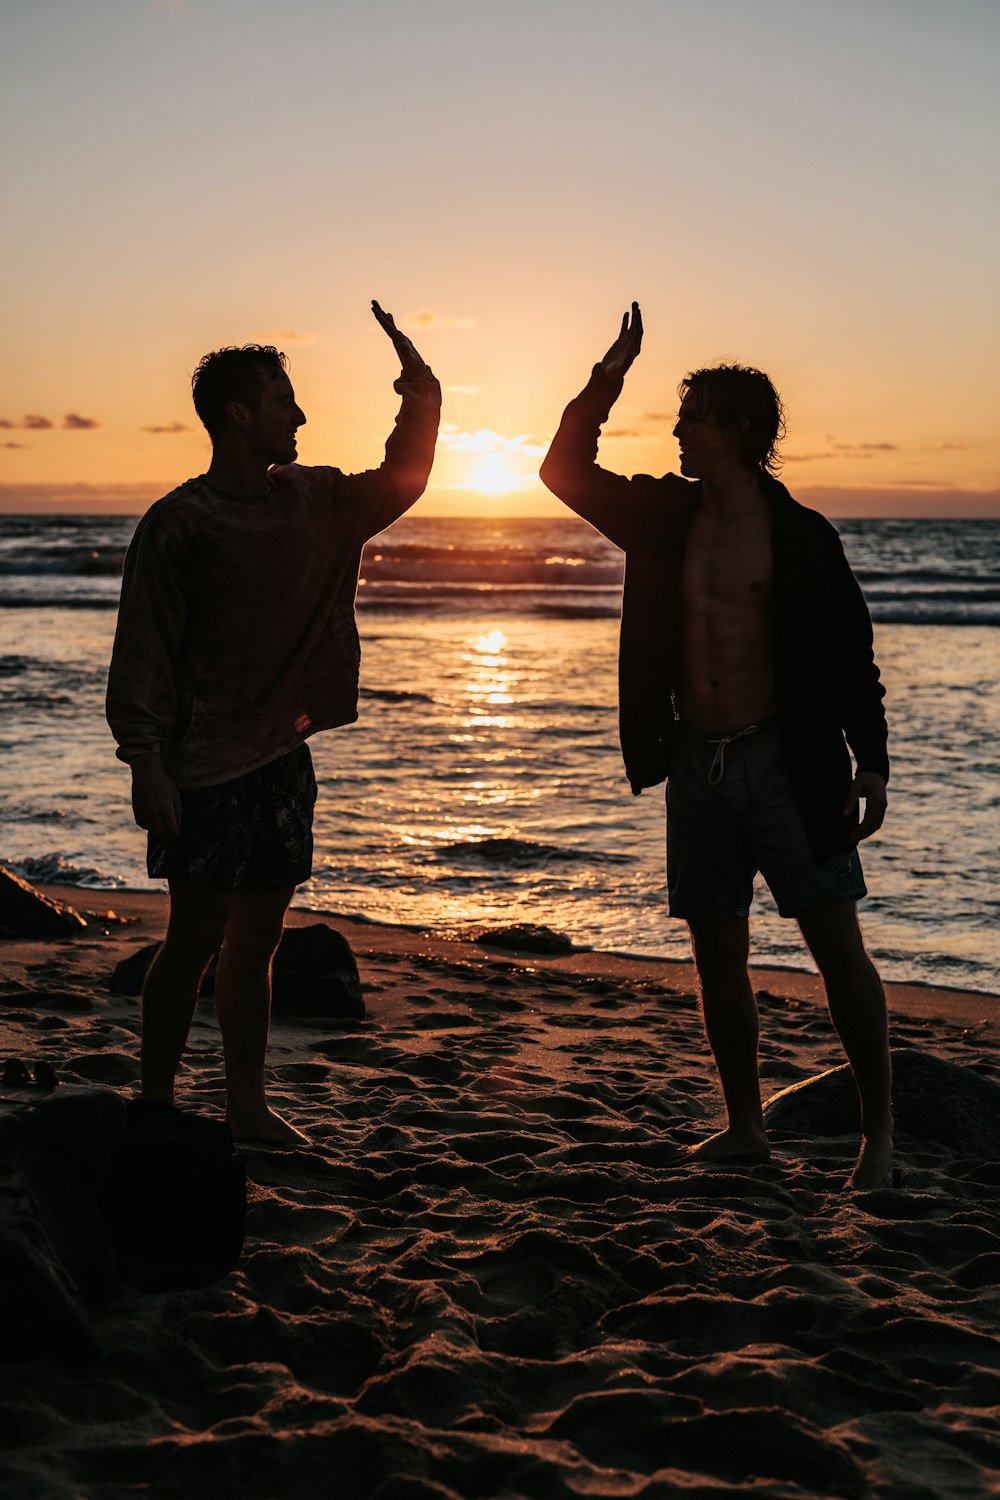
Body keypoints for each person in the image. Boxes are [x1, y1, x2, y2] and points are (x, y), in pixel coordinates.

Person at [539, 304, 893, 1189]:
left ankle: (878, 1139)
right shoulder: (663, 514)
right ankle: (745, 1127)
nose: (678, 432)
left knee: (835, 946)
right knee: (715, 951)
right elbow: (561, 469)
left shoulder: (801, 536)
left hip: (786, 763)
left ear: (736, 430)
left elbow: (851, 654)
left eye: (691, 418)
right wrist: (607, 376)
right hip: (695, 763)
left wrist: (872, 758)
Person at [107, 303, 441, 1145]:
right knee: (190, 942)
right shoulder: (181, 524)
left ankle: (246, 1107)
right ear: (238, 414)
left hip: (281, 759)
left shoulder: (316, 501)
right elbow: (143, 649)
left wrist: (420, 383)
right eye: (284, 401)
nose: (299, 415)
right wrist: (146, 763)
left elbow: (405, 474)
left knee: (257, 944)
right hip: (204, 766)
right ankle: (156, 1101)